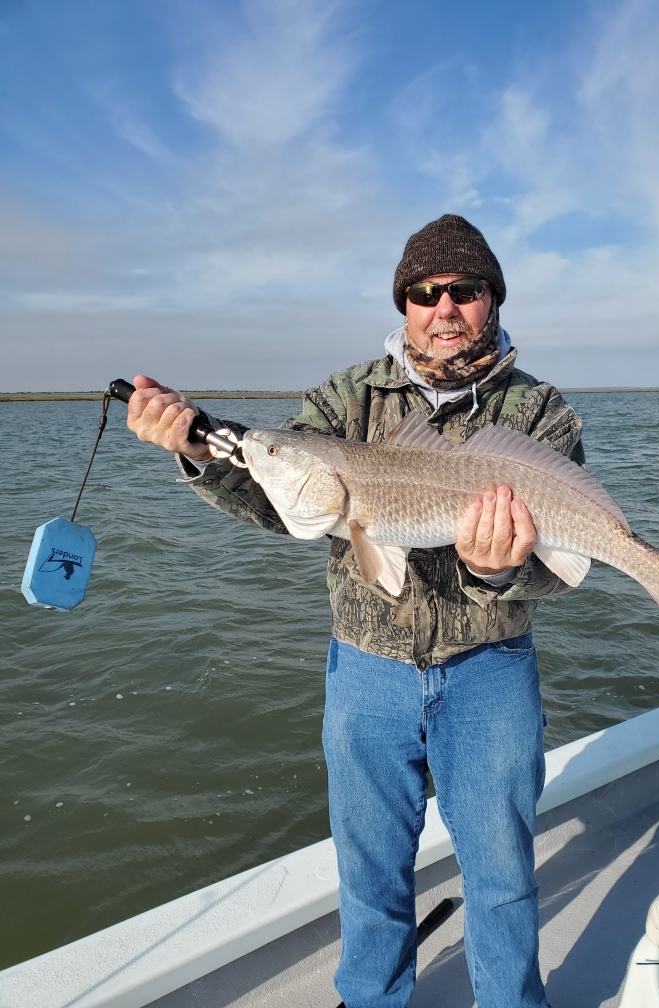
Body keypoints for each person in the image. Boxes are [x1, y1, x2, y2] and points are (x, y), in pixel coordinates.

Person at [125, 215, 584, 1008]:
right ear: (404, 304)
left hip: (492, 674)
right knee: (368, 869)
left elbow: (560, 570)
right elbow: (283, 499)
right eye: (423, 292)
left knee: (503, 873)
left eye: (464, 291)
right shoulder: (344, 398)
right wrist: (197, 450)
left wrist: (499, 575)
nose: (444, 308)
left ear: (492, 300)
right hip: (367, 672)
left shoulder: (541, 413)